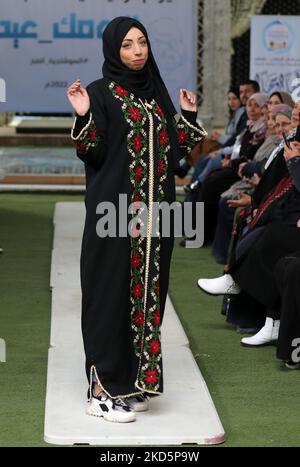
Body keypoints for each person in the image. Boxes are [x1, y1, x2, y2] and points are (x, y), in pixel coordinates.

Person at [67, 17, 206, 423]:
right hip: (113, 216)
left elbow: (174, 153)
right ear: (113, 49)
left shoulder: (154, 94)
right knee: (108, 295)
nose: (137, 51)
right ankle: (101, 388)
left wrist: (186, 116)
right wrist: (82, 117)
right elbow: (92, 151)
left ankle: (131, 380)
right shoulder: (100, 93)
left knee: (148, 295)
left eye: (141, 43)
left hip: (154, 217)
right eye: (127, 45)